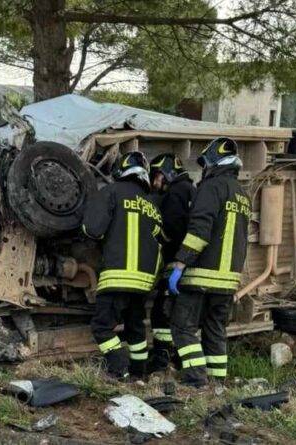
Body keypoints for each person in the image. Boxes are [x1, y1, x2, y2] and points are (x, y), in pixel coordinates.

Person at [167, 137, 251, 388]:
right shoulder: (243, 194)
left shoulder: (211, 187)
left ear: (214, 163)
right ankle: (217, 382)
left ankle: (196, 380)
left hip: (202, 275)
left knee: (182, 326)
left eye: (206, 163)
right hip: (228, 281)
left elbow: (199, 231)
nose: (204, 168)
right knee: (215, 329)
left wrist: (180, 265)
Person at [82, 151, 165, 380]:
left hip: (117, 277)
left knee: (101, 327)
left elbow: (92, 229)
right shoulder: (153, 207)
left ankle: (119, 369)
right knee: (135, 328)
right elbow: (160, 244)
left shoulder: (111, 192)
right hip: (143, 283)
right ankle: (140, 373)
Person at [146, 153, 196, 373]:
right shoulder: (191, 191)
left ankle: (161, 360)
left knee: (161, 313)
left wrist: (158, 235)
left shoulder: (175, 193)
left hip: (177, 262)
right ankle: (177, 360)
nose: (156, 183)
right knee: (179, 316)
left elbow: (172, 228)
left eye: (157, 177)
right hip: (190, 263)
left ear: (167, 173)